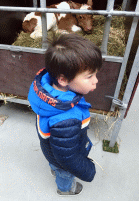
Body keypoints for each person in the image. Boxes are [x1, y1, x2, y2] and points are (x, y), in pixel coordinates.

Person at [28, 33, 103, 196]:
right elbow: (67, 157)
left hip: (51, 149)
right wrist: (88, 170)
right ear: (63, 79)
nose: (96, 80)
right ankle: (65, 189)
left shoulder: (47, 91)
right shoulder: (66, 118)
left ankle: (54, 168)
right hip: (62, 159)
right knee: (65, 172)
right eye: (89, 76)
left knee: (56, 163)